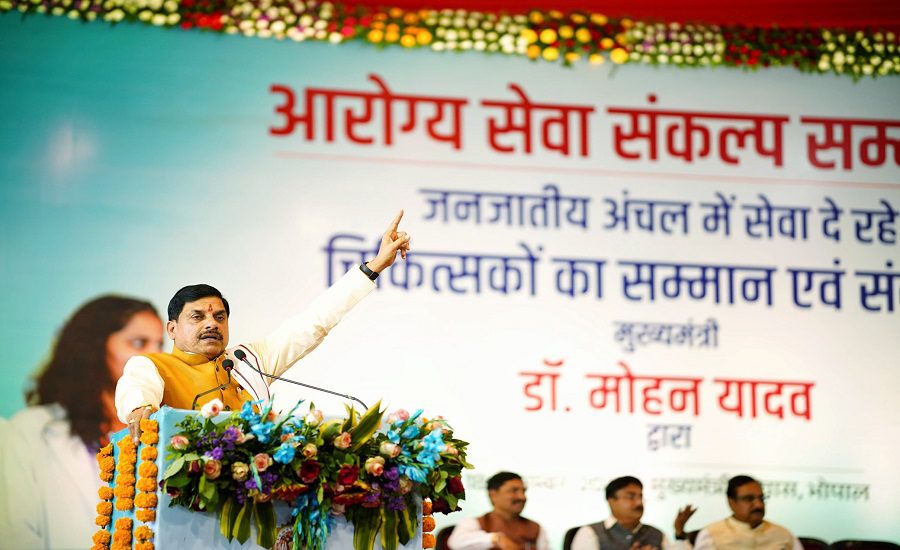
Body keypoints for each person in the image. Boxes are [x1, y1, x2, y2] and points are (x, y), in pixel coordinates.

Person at [116, 211, 411, 440]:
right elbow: (138, 390)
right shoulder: (153, 366)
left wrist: (374, 267)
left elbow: (314, 322)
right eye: (197, 317)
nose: (211, 324)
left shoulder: (246, 361)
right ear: (171, 329)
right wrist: (140, 409)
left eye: (219, 317)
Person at [0, 296, 164, 549]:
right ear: (95, 348)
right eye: (139, 343)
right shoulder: (30, 431)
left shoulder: (166, 430)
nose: (154, 357)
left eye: (160, 345)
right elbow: (15, 537)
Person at [570, 476, 691, 550]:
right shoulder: (590, 533)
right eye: (631, 497)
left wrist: (679, 534)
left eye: (640, 496)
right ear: (611, 501)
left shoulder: (656, 534)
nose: (639, 502)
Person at [692, 475, 802, 550]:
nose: (758, 505)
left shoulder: (784, 535)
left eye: (761, 498)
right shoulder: (710, 535)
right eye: (749, 499)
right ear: (731, 502)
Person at [447, 471, 550, 550]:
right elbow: (455, 542)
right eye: (514, 490)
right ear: (493, 495)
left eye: (523, 491)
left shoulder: (536, 528)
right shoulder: (475, 523)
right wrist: (496, 539)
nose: (522, 497)